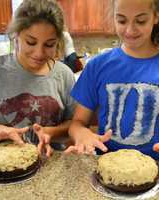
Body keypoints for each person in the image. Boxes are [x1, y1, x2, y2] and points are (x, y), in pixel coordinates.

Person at [0, 0, 75, 157]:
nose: (39, 53)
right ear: (16, 36)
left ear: (58, 42)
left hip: (52, 160)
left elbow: (74, 124)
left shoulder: (64, 75)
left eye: (49, 45)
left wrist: (49, 132)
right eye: (30, 42)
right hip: (5, 161)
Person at [65, 0, 159, 159]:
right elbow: (77, 123)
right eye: (121, 20)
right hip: (105, 167)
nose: (130, 30)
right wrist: (82, 134)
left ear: (156, 16)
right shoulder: (97, 66)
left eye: (140, 21)